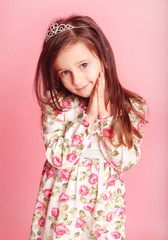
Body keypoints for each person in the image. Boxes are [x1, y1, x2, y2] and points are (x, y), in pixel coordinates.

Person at [30, 15, 148, 240]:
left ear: (102, 55)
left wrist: (105, 116)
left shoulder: (131, 106)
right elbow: (59, 158)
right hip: (63, 208)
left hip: (104, 210)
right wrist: (89, 119)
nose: (77, 79)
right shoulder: (56, 105)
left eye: (83, 65)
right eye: (65, 72)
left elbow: (126, 161)